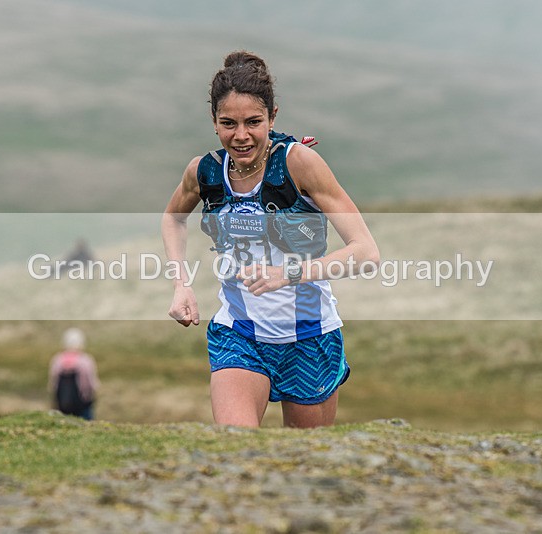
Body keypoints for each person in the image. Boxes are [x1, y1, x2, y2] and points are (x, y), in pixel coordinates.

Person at [161, 51, 379, 429]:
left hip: (310, 337)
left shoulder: (299, 164)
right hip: (239, 333)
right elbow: (172, 218)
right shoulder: (205, 171)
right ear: (214, 122)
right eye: (228, 123)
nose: (241, 135)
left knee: (305, 464)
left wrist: (287, 273)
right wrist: (181, 285)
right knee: (236, 448)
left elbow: (366, 252)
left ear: (273, 117)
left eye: (253, 122)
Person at [48, 328, 100, 420]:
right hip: (82, 402)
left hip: (63, 402)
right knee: (87, 423)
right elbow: (92, 384)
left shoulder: (58, 360)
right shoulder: (85, 360)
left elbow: (53, 383)